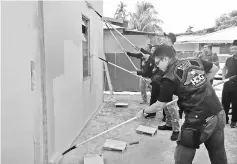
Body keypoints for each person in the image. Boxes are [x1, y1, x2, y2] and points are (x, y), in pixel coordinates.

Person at [137, 44, 227, 164]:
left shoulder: (169, 78)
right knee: (218, 154)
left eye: (158, 62)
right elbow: (214, 69)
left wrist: (144, 112)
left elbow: (159, 105)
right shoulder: (194, 60)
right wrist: (201, 84)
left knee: (182, 158)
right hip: (218, 112)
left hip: (197, 121)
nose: (157, 66)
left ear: (165, 59)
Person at [222, 40, 237, 128]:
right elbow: (224, 68)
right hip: (227, 83)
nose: (233, 51)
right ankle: (225, 118)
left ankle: (234, 120)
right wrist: (223, 77)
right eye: (232, 49)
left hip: (236, 84)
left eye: (235, 49)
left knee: (235, 103)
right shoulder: (229, 59)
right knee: (225, 101)